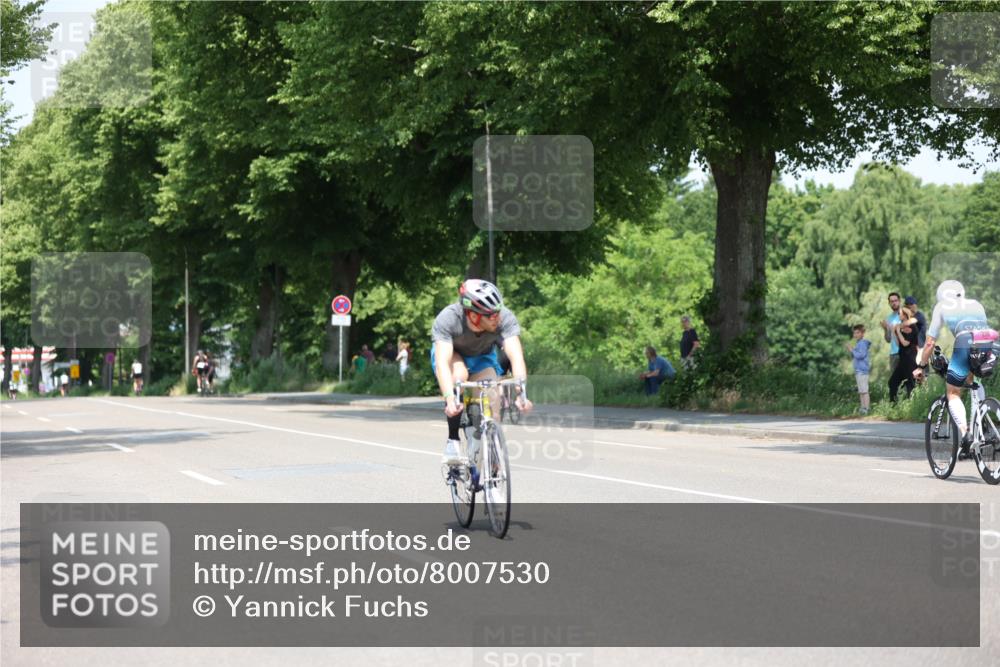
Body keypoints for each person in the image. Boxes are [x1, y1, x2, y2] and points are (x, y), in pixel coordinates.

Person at [432, 278, 532, 466]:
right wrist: (449, 398)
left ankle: (491, 449)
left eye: (497, 312)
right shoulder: (448, 318)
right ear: (473, 315)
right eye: (490, 315)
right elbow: (442, 363)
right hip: (453, 355)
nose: (497, 318)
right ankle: (453, 439)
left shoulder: (504, 318)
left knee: (492, 395)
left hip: (481, 358)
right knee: (459, 376)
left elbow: (516, 356)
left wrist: (521, 393)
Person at [914, 280, 994, 458]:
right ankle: (980, 425)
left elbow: (929, 343)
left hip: (964, 343)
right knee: (973, 381)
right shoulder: (976, 304)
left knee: (953, 391)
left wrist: (921, 366)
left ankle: (966, 434)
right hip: (988, 343)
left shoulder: (942, 306)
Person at [888, 305, 920, 402]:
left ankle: (912, 405)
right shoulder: (901, 327)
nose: (898, 315)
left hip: (910, 358)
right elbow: (899, 344)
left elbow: (906, 343)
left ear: (905, 315)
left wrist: (898, 331)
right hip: (902, 359)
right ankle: (893, 405)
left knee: (911, 383)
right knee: (892, 382)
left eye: (900, 313)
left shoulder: (912, 327)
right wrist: (894, 333)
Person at [846, 324, 871, 415]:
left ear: (862, 333)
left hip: (862, 371)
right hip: (858, 370)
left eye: (858, 333)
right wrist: (853, 350)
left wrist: (851, 350)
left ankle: (867, 408)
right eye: (854, 333)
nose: (855, 335)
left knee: (864, 390)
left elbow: (860, 355)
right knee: (861, 391)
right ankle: (862, 407)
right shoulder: (859, 343)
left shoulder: (863, 344)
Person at [879, 292, 903, 373]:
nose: (894, 303)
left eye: (895, 300)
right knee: (895, 382)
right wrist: (886, 329)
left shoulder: (905, 315)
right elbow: (888, 339)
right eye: (891, 301)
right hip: (893, 354)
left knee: (908, 380)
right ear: (889, 303)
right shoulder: (888, 318)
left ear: (899, 301)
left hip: (905, 352)